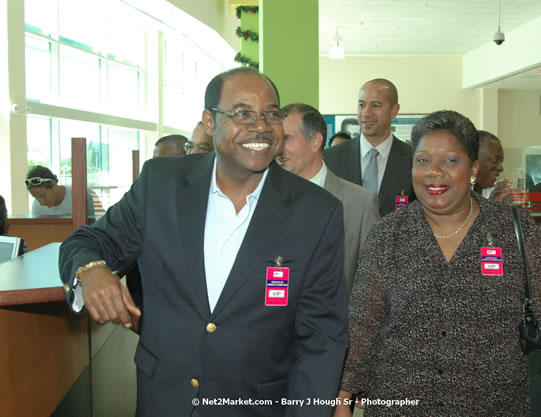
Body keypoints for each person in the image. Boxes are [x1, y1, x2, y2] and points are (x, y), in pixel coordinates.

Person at [59, 67, 348, 417]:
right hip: (164, 399)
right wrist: (91, 270)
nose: (260, 126)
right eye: (242, 113)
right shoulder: (160, 184)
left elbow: (321, 336)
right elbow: (88, 241)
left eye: (271, 114)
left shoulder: (316, 212)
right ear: (209, 121)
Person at [333, 110, 541, 417]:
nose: (434, 172)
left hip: (493, 404)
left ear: (473, 169)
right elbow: (364, 323)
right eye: (423, 160)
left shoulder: (512, 228)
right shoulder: (389, 233)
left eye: (450, 160)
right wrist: (343, 396)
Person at [278, 103, 380, 293]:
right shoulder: (261, 200)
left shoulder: (361, 204)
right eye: (275, 140)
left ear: (316, 141)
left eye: (286, 139)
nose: (278, 148)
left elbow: (372, 285)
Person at [324, 78, 415, 217]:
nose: (366, 113)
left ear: (394, 111)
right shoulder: (330, 158)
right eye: (362, 105)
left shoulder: (412, 159)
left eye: (376, 105)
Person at [25, 165, 95, 217]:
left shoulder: (79, 196)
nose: (41, 203)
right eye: (36, 198)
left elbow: (91, 228)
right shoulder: (36, 205)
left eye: (43, 196)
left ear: (54, 184)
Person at [475, 130, 512, 202]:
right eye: (495, 161)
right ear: (474, 161)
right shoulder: (455, 193)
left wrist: (495, 202)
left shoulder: (501, 194)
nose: (501, 168)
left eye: (501, 161)